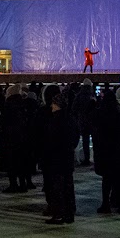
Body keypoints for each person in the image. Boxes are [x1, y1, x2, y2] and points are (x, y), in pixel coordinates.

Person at [44, 92, 81, 223]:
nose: (51, 106)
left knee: (58, 187)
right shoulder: (71, 118)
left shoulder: (55, 120)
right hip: (67, 157)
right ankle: (69, 213)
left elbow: (51, 140)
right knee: (68, 186)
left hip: (57, 158)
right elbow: (76, 136)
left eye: (53, 103)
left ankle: (58, 213)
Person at [93, 88, 120, 214]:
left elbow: (97, 131)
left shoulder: (101, 111)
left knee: (107, 180)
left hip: (106, 150)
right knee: (118, 180)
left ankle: (106, 204)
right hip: (119, 149)